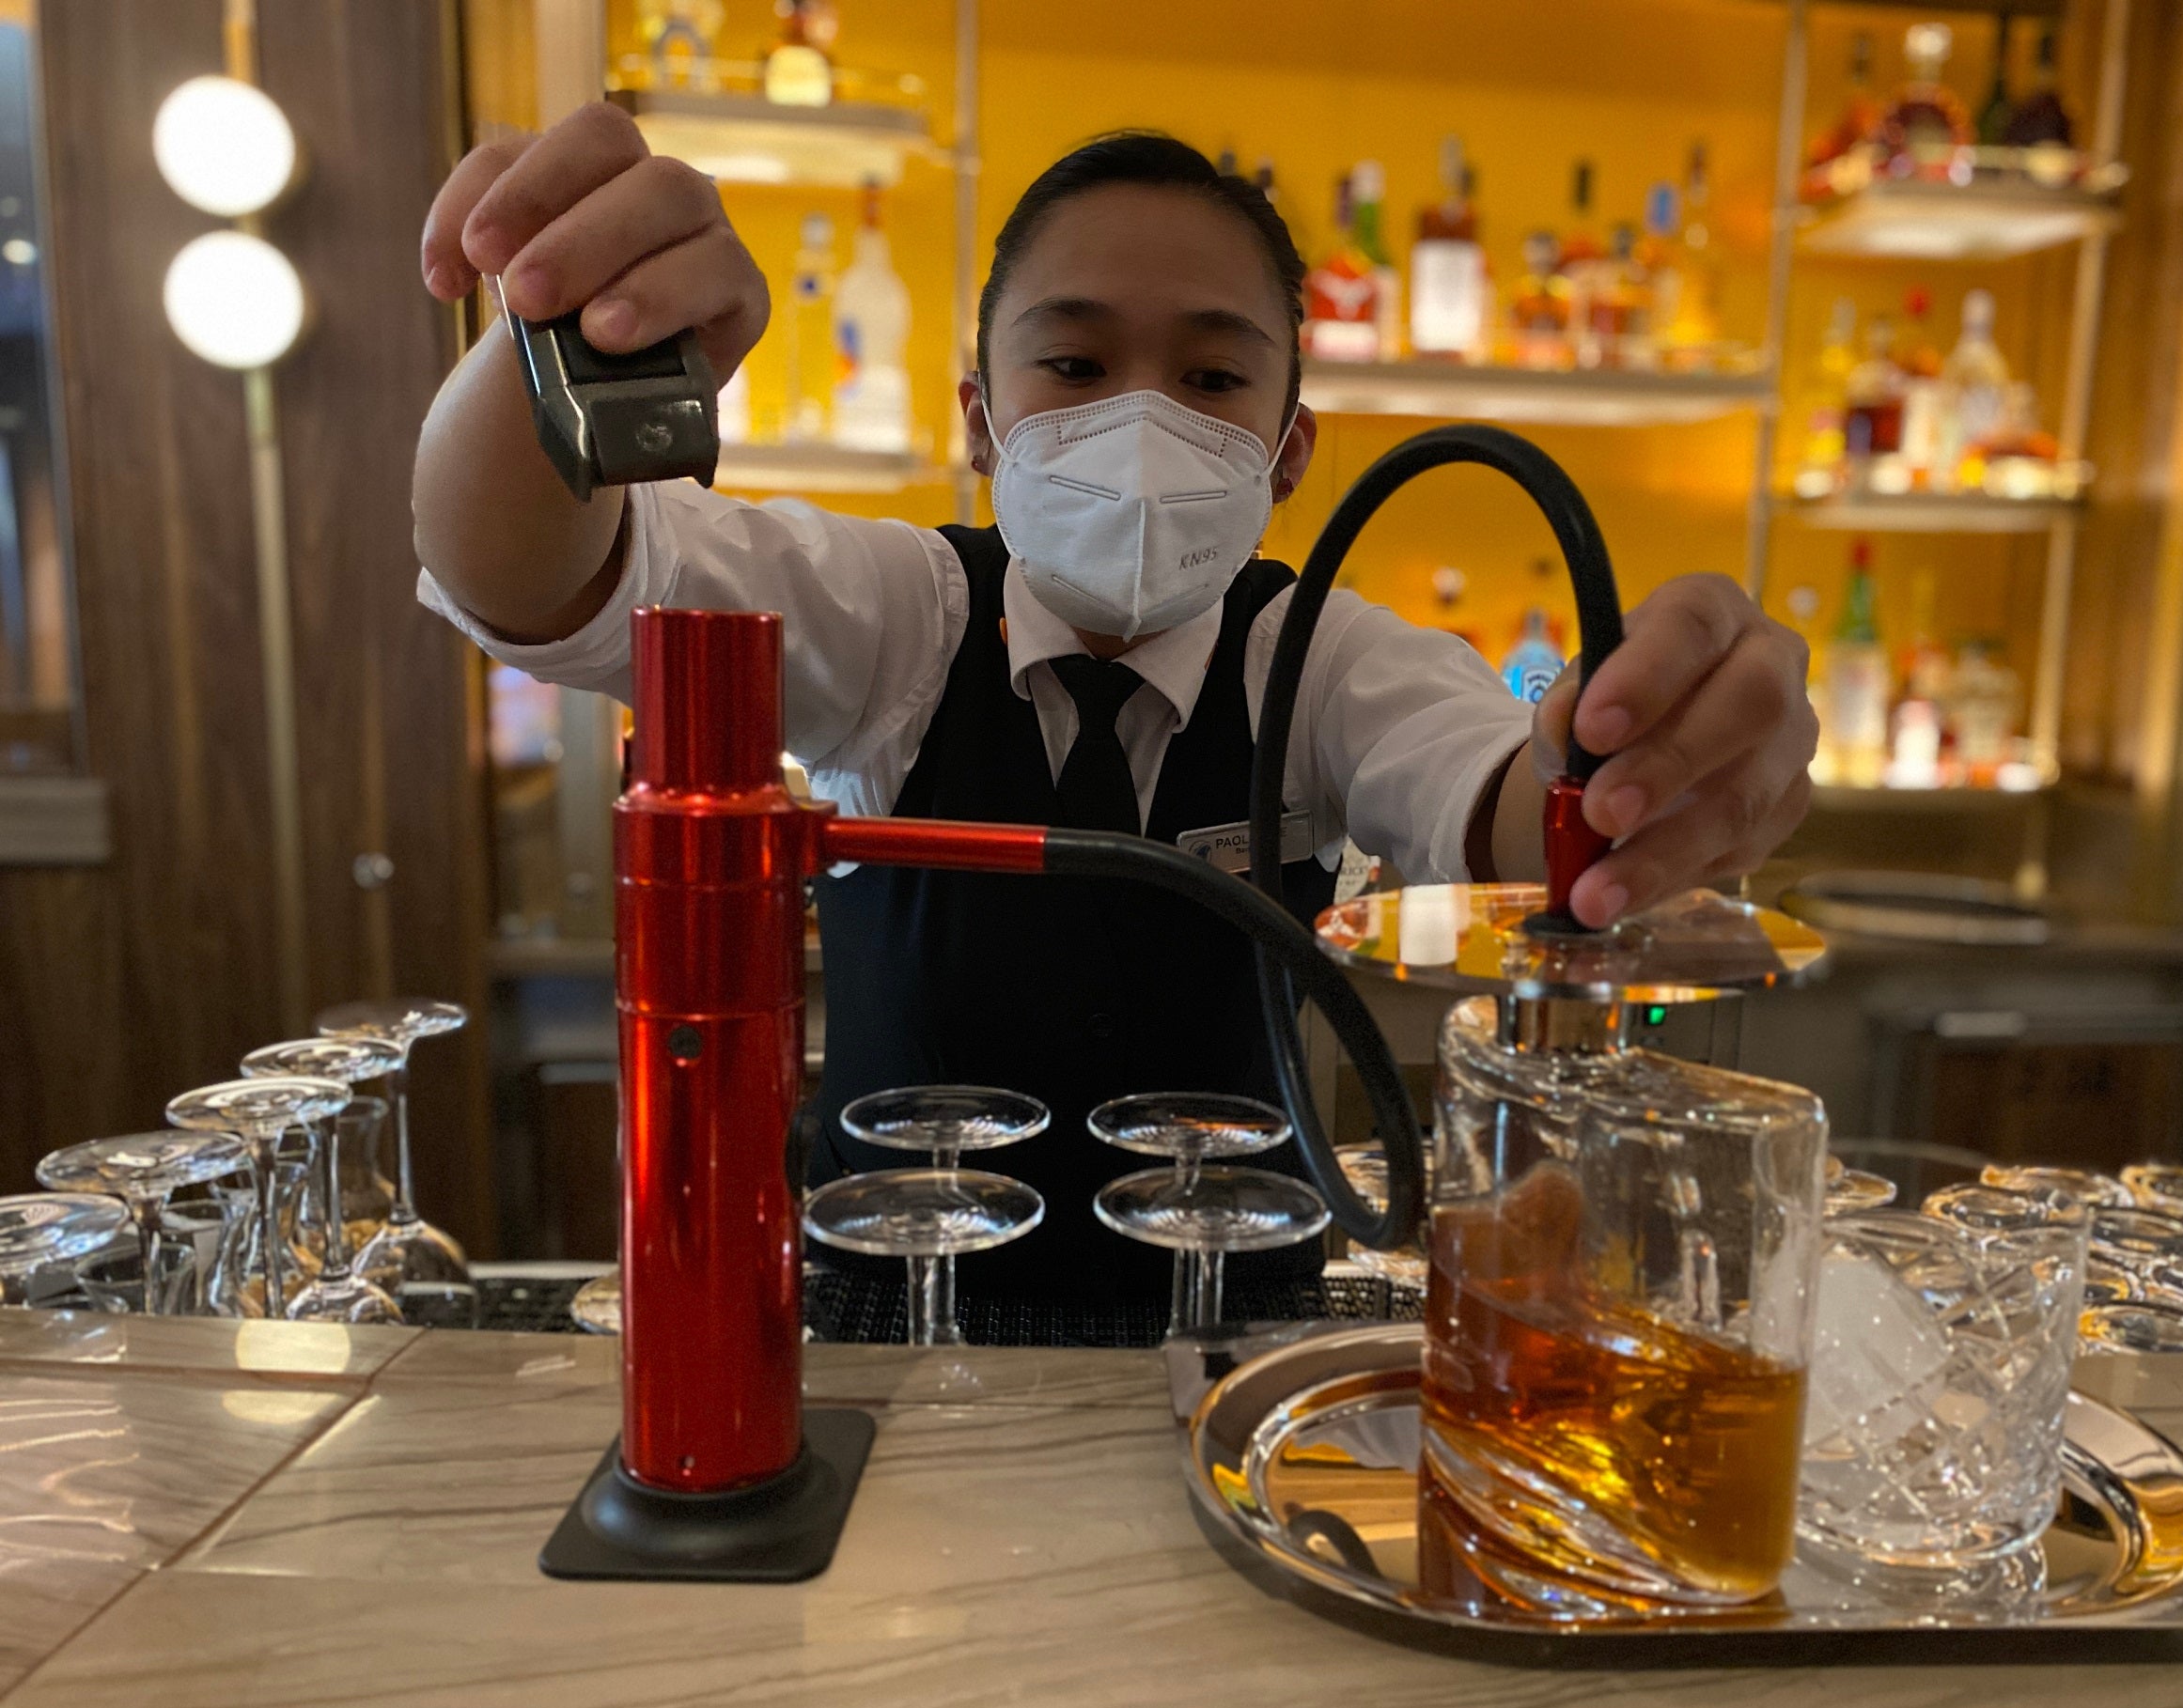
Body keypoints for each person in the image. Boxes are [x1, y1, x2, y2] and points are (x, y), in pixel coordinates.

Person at [413, 111, 1817, 1324]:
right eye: (1074, 370)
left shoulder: (1316, 659)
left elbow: (1496, 807)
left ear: (1287, 455)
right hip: (890, 1330)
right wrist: (560, 355)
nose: (1142, 420)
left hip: (1231, 1333)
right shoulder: (904, 616)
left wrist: (1627, 771)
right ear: (982, 422)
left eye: (1211, 379)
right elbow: (541, 573)